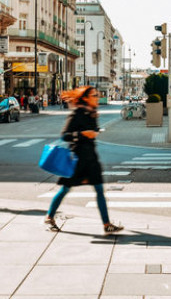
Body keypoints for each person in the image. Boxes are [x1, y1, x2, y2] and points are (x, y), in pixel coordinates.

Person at [44, 86, 123, 234]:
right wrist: (83, 134)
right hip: (77, 159)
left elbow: (93, 131)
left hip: (91, 158)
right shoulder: (77, 113)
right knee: (65, 189)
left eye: (97, 95)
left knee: (99, 189)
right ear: (85, 98)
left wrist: (94, 131)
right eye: (94, 95)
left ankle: (107, 225)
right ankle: (49, 216)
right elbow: (65, 135)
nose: (97, 98)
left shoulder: (92, 113)